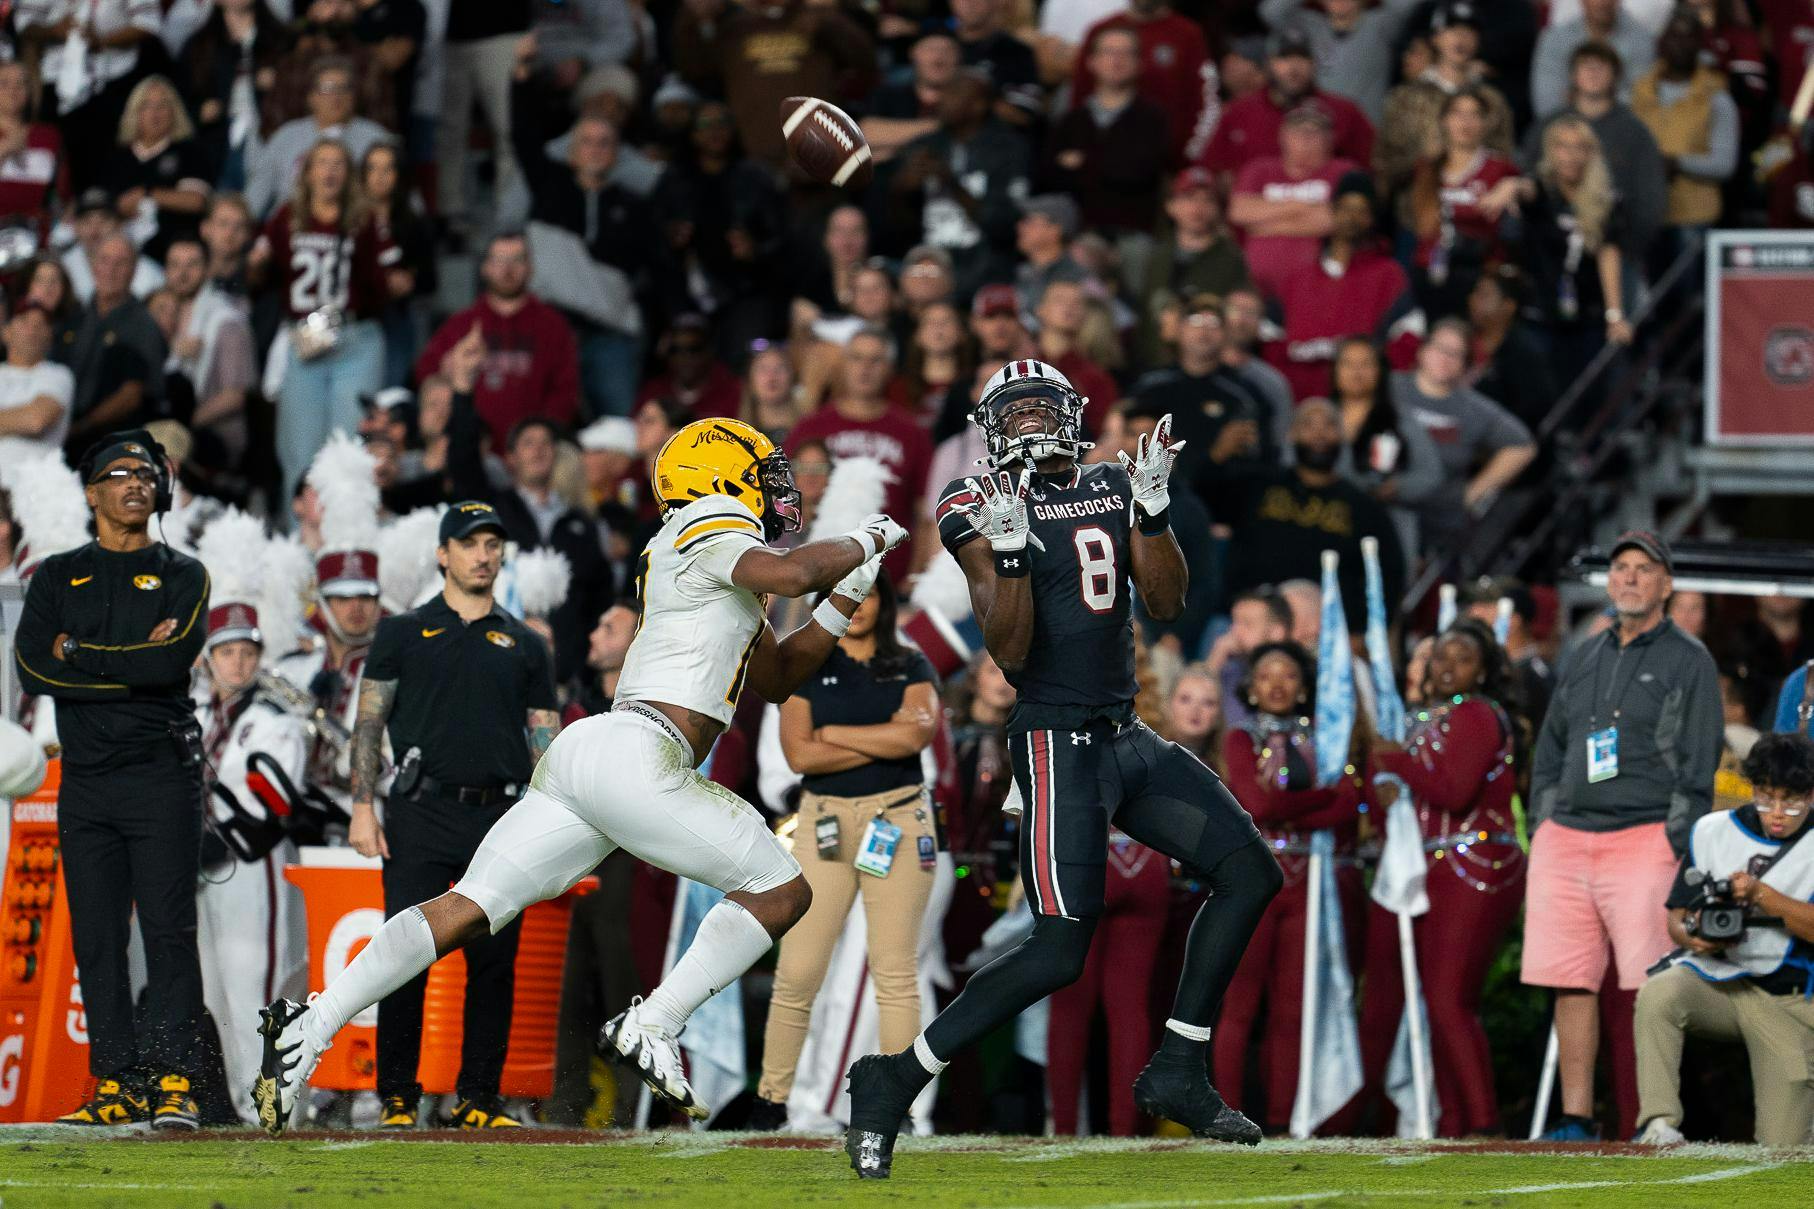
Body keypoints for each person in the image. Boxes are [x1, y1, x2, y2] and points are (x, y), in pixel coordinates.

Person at [254, 417, 911, 1132]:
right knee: (782, 891)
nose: (772, 487)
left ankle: (308, 1025)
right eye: (760, 472)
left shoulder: (716, 558)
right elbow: (793, 572)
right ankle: (654, 1022)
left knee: (470, 904)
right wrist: (867, 536)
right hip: (640, 753)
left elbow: (783, 675)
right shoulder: (711, 519)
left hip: (594, 753)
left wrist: (845, 598)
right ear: (719, 479)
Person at [843, 361, 1283, 1179]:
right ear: (990, 426)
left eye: (1046, 405)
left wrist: (1152, 511)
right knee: (1057, 950)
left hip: (1124, 732)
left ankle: (1180, 1064)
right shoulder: (972, 504)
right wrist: (1010, 558)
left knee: (1250, 871)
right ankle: (891, 1077)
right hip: (1052, 740)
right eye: (1017, 410)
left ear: (1076, 415)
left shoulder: (1114, 482)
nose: (1033, 421)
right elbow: (1009, 651)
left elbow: (1165, 602)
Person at [323, 501, 555, 1130]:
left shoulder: (528, 645)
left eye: (492, 543)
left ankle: (479, 1099)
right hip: (419, 811)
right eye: (470, 542)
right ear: (442, 553)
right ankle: (398, 1097)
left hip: (501, 818)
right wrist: (363, 805)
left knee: (495, 961)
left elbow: (547, 745)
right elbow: (367, 724)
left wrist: (553, 826)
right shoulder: (400, 633)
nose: (484, 554)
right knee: (403, 954)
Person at [14, 430, 210, 1129]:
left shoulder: (185, 573)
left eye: (146, 473)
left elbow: (168, 667)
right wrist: (127, 665)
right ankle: (116, 1080)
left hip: (161, 775)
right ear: (91, 491)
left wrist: (79, 654)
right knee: (96, 936)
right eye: (119, 473)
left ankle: (175, 1078)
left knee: (168, 931)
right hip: (87, 781)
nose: (136, 482)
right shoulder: (54, 575)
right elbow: (34, 670)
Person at [1522, 529, 1723, 1141]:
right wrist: (1544, 822)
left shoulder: (1690, 658)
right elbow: (1552, 742)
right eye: (1621, 568)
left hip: (1643, 836)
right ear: (1608, 581)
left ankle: (1652, 1115)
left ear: (1666, 585)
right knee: (1570, 978)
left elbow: (1699, 758)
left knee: (1647, 984)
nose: (1630, 578)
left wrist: (1675, 840)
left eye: (1643, 569)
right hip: (1567, 838)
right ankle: (1577, 1117)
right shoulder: (1585, 651)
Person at [753, 573, 939, 1127]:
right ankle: (771, 1101)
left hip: (900, 820)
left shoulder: (912, 663)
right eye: (844, 596)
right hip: (825, 822)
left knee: (895, 970)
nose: (855, 606)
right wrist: (879, 735)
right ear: (823, 603)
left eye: (867, 594)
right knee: (799, 970)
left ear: (884, 603)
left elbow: (913, 739)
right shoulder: (805, 664)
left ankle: (898, 1106)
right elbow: (798, 757)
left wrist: (831, 734)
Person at [1357, 619, 1526, 1137]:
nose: (1448, 665)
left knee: (1450, 999)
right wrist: (1384, 787)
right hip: (1437, 866)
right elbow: (1398, 807)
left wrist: (1397, 761)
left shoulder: (1478, 714)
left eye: (1464, 658)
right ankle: (1453, 1122)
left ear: (1485, 671)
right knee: (1437, 1000)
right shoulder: (1423, 718)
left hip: (1476, 865)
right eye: (1441, 655)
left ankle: (1483, 1123)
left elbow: (1453, 792)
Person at [1633, 731, 1814, 1147]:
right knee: (1661, 992)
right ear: (1752, 790)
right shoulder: (1713, 830)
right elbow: (1676, 917)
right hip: (1724, 979)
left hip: (1791, 1000)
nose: (1778, 813)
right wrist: (1694, 937)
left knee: (1782, 1153)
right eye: (1767, 797)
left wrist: (1759, 894)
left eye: (1792, 801)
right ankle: (1659, 1123)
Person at [1216, 640, 1363, 1132]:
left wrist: (1326, 801)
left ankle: (1283, 1121)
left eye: (1288, 676)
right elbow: (1260, 804)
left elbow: (1349, 808)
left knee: (1292, 1007)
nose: (1277, 685)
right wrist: (1324, 797)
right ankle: (1224, 1117)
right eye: (1266, 676)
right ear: (1251, 688)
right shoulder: (1239, 739)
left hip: (1306, 884)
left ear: (1302, 687)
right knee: (1239, 1003)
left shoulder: (1323, 740)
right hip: (1253, 882)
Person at [191, 583, 310, 1126]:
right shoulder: (191, 714)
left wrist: (214, 832)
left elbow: (274, 803)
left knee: (252, 989)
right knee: (213, 994)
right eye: (226, 651)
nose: (237, 663)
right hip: (197, 867)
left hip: (245, 862)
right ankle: (242, 1106)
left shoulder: (275, 719)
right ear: (207, 656)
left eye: (247, 652)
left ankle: (272, 1108)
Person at [250, 138, 391, 504]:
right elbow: (264, 273)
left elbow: (378, 284)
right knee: (300, 448)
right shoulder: (286, 216)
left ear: (349, 175)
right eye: (322, 162)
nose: (330, 171)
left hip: (355, 336)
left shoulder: (363, 219)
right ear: (308, 171)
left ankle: (350, 538)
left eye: (338, 164)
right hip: (305, 338)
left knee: (350, 448)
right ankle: (300, 540)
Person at [1197, 398, 1408, 627]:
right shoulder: (1256, 484)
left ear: (1343, 436)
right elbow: (1199, 500)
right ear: (1291, 434)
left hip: (1326, 630)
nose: (1319, 434)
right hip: (1244, 620)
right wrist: (1217, 454)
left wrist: (1361, 632)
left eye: (1328, 425)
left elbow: (1389, 576)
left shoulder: (1364, 507)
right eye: (1308, 425)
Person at [784, 328, 933, 580]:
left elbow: (924, 512)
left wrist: (917, 572)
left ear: (889, 369)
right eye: (856, 358)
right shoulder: (810, 427)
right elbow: (785, 499)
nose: (865, 368)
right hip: (818, 576)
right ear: (843, 365)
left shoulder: (912, 432)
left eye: (875, 360)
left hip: (888, 580)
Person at [415, 232, 581, 450]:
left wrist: (539, 440)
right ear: (485, 268)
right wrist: (448, 373)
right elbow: (426, 375)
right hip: (471, 452)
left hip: (530, 456)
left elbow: (566, 393)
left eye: (517, 260)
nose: (508, 269)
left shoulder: (552, 326)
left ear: (530, 268)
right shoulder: (461, 324)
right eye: (499, 260)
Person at [1508, 116, 1636, 397]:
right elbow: (1524, 191)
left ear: (1591, 153)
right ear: (1551, 152)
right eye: (1562, 147)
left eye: (1579, 147)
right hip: (1539, 313)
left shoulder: (1607, 199)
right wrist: (1510, 187)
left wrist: (1615, 315)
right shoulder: (1540, 191)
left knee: (1585, 392)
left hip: (1587, 314)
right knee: (1541, 392)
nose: (1571, 156)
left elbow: (1609, 254)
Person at [1268, 171, 1419, 401]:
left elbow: (1409, 337)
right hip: (1298, 398)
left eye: (1362, 211)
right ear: (1333, 212)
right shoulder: (1297, 276)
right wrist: (1289, 376)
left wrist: (1372, 373)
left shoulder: (1389, 275)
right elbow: (1270, 337)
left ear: (1372, 219)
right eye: (1345, 208)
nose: (1352, 218)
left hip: (1362, 401)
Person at [1389, 320, 1537, 553]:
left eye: (1456, 354)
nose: (1445, 358)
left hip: (1441, 514)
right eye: (1440, 348)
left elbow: (1522, 445)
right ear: (1423, 350)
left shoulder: (1474, 408)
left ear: (1465, 364)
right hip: (1387, 501)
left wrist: (1474, 491)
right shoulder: (1390, 387)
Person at [884, 70, 1031, 303]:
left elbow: (1004, 224)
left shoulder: (1008, 149)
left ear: (978, 105)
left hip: (987, 271)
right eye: (944, 92)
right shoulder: (924, 146)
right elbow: (896, 229)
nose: (942, 99)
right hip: (929, 269)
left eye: (954, 94)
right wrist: (902, 190)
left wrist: (950, 183)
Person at [1520, 42, 1667, 268]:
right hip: (1550, 251)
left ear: (1616, 76)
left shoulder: (1634, 131)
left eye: (1601, 67)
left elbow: (1651, 196)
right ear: (1573, 75)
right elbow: (1527, 176)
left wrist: (1629, 249)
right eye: (1586, 66)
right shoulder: (1548, 126)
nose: (1593, 73)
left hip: (1618, 250)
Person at [1195, 26, 1374, 185]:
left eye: (1302, 57)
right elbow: (1210, 169)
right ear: (1268, 63)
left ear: (1314, 64)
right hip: (1251, 217)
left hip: (1322, 215)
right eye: (1284, 57)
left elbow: (1369, 171)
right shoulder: (1238, 112)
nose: (1294, 67)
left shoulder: (1344, 112)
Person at [1404, 87, 1523, 320]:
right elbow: (1423, 225)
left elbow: (1526, 197)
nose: (1465, 122)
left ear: (1486, 122)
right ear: (1444, 120)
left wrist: (1516, 185)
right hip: (1428, 272)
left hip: (1478, 276)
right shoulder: (1427, 168)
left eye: (1474, 114)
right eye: (1458, 114)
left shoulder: (1500, 168)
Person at [1132, 293, 1274, 485]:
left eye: (1214, 323)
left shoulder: (1244, 395)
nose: (1204, 330)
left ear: (1226, 334)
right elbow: (1128, 449)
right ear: (1179, 329)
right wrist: (1215, 454)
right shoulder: (1149, 387)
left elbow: (1257, 461)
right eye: (1195, 320)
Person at [1043, 27, 1171, 238]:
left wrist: (1082, 162)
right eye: (1109, 52)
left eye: (1126, 53)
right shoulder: (1072, 120)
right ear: (1091, 62)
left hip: (1133, 231)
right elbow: (1049, 175)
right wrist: (1112, 160)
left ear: (1139, 64)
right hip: (1075, 230)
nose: (1117, 60)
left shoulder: (1153, 118)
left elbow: (1138, 174)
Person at [1227, 103, 1359, 302]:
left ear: (1330, 139)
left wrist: (1262, 225)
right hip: (1257, 287)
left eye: (1315, 132)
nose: (1305, 139)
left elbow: (1337, 220)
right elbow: (1239, 211)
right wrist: (1306, 207)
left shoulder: (1344, 171)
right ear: (1282, 136)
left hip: (1321, 286)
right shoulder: (1260, 168)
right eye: (1297, 131)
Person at [1629, 6, 1739, 237]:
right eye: (1674, 35)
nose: (1680, 43)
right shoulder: (1636, 92)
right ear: (1661, 41)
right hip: (1641, 212)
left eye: (1688, 36)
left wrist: (1677, 163)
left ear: (1700, 45)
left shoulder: (1717, 98)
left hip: (1694, 218)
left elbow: (1724, 164)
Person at [244, 57, 394, 219]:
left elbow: (403, 199)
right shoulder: (286, 136)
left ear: (354, 96)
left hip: (354, 229)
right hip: (290, 228)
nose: (336, 96)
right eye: (327, 88)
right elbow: (256, 194)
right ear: (311, 96)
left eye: (344, 88)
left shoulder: (377, 140)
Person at [1134, 168, 1250, 369]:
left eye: (1207, 200)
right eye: (1189, 198)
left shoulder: (1232, 259)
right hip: (1150, 363)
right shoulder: (1154, 256)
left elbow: (1239, 316)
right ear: (1170, 206)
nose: (1197, 208)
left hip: (1206, 366)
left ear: (1218, 209)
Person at [435, 2, 530, 244]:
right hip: (450, 37)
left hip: (504, 31)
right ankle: (450, 213)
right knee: (449, 133)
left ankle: (509, 213)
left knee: (509, 131)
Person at [1070, 0, 1209, 164]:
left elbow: (1204, 101)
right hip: (1099, 162)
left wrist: (1185, 162)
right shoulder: (1101, 30)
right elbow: (1080, 96)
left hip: (1169, 165)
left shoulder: (1189, 34)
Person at [65, 233, 168, 449]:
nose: (111, 270)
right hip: (63, 429)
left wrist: (80, 428)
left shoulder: (144, 325)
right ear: (93, 265)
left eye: (121, 263)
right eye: (104, 260)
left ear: (134, 270)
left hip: (111, 443)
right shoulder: (74, 316)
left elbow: (131, 396)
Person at [161, 236, 256, 469]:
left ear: (207, 269)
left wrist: (181, 425)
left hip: (214, 437)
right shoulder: (160, 313)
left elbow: (234, 397)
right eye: (174, 265)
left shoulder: (226, 320)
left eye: (191, 265)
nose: (182, 274)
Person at [101, 75, 212, 263]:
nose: (155, 113)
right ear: (135, 112)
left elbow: (196, 200)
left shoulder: (188, 152)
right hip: (123, 254)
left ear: (174, 111)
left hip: (172, 255)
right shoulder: (117, 156)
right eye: (147, 106)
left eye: (162, 106)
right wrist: (118, 208)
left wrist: (146, 194)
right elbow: (104, 204)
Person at [1255, 0, 1421, 121]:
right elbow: (1270, 12)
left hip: (1367, 128)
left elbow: (1411, 5)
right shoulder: (1311, 25)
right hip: (1320, 128)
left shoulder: (1380, 24)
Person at [361, 142, 436, 390]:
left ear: (399, 175)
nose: (380, 177)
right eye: (373, 168)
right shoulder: (348, 221)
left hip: (396, 314)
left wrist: (409, 281)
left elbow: (429, 278)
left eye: (388, 169)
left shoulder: (412, 222)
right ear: (363, 175)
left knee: (389, 389)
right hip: (359, 314)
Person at [1532, 0, 1658, 120]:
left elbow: (1639, 99)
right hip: (1562, 132)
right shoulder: (1555, 39)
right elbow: (1547, 102)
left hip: (1620, 132)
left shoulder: (1641, 41)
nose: (1602, 3)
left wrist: (1581, 99)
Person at [0, 302, 77, 456]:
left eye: (41, 324)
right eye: (24, 320)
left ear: (49, 337)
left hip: (31, 478)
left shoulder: (57, 374)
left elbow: (36, 420)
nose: (32, 329)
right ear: (5, 332)